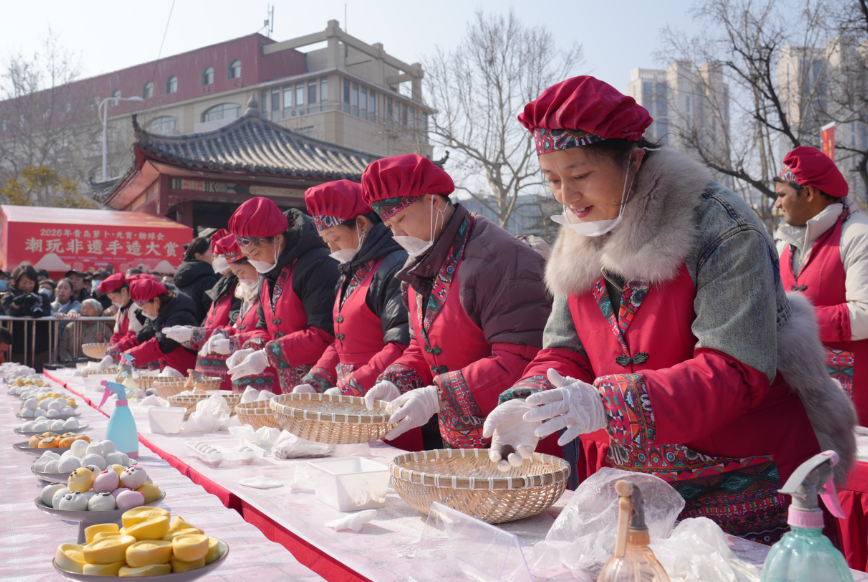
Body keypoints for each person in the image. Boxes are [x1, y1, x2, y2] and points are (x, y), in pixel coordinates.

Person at [484, 75, 856, 543]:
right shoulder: (581, 230)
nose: (566, 196)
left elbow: (735, 369)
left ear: (634, 161)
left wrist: (607, 404)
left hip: (745, 477)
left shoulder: (722, 228)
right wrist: (530, 400)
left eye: (579, 176)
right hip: (640, 484)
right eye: (553, 179)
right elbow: (565, 350)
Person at [356, 154, 551, 451]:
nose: (396, 234)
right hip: (458, 445)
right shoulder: (421, 263)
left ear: (434, 202)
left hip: (513, 439)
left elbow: (521, 357)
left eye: (401, 219)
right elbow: (421, 348)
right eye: (389, 225)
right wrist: (398, 380)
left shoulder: (500, 258)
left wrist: (438, 395)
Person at [773, 146, 868, 426]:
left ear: (809, 194)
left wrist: (792, 320)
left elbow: (865, 314)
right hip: (799, 394)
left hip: (852, 394)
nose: (776, 205)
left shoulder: (858, 236)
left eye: (781, 195)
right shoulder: (782, 244)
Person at [296, 181, 411, 401]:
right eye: (326, 241)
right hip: (351, 400)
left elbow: (401, 343)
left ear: (360, 223)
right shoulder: (351, 270)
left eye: (335, 238)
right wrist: (316, 380)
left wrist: (352, 387)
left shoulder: (395, 267)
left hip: (382, 399)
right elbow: (340, 342)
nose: (332, 250)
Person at [224, 197, 341, 393]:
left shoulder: (317, 264)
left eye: (256, 253)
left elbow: (325, 333)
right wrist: (253, 347)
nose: (254, 262)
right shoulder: (268, 270)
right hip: (287, 385)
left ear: (277, 238)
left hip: (320, 381)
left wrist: (267, 355)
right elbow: (264, 326)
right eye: (248, 257)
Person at [165, 230, 246, 389]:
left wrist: (194, 334)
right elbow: (209, 322)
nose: (215, 259)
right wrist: (192, 334)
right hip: (207, 368)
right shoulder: (222, 283)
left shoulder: (241, 286)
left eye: (219, 254)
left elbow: (235, 328)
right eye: (214, 255)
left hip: (225, 372)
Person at [114, 277, 199, 371]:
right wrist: (116, 351)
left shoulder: (180, 316)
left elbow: (160, 344)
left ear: (157, 301)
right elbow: (140, 338)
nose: (144, 312)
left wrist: (130, 356)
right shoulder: (157, 314)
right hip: (170, 373)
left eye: (145, 308)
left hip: (186, 372)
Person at [0, 264, 51, 369]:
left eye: (31, 282)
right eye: (24, 282)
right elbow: (10, 314)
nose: (27, 286)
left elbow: (46, 315)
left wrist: (37, 305)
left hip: (39, 348)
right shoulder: (9, 296)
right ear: (16, 281)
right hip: (16, 348)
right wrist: (17, 302)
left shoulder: (42, 297)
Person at [174, 236, 220, 323]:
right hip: (198, 332)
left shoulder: (181, 276)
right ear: (198, 256)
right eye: (212, 250)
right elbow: (212, 313)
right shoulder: (209, 279)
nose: (217, 253)